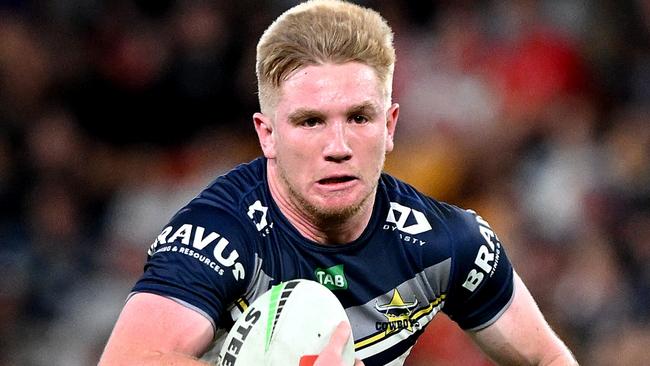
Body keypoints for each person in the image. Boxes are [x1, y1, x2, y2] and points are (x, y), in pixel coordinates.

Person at [98, 1, 578, 365]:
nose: (338, 145)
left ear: (390, 127)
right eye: (310, 122)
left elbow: (549, 358)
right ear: (267, 135)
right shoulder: (218, 236)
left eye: (359, 117)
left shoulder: (447, 243)